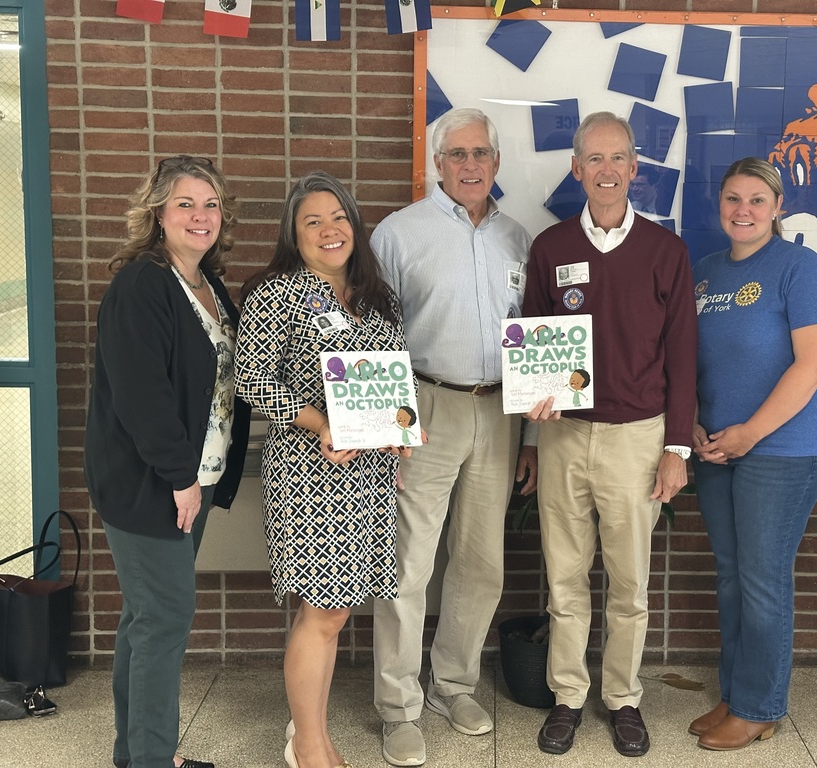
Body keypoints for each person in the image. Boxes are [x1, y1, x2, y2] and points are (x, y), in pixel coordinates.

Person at [523, 112, 698, 758]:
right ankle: (568, 694)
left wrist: (677, 449)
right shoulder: (550, 249)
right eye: (592, 159)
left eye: (616, 158)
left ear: (634, 169)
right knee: (564, 577)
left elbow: (682, 356)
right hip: (564, 437)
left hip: (637, 437)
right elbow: (532, 346)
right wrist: (529, 432)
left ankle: (621, 697)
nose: (604, 171)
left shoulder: (665, 252)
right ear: (576, 169)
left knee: (629, 583)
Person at [369, 106, 537, 767]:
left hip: (499, 413)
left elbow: (529, 338)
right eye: (457, 154)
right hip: (424, 406)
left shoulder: (518, 238)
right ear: (437, 164)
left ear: (496, 163)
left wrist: (527, 435)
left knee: (479, 564)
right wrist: (389, 423)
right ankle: (398, 706)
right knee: (409, 566)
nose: (470, 165)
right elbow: (374, 332)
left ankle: (454, 684)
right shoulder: (398, 234)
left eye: (481, 154)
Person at [234, 171, 415, 768]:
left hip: (367, 478)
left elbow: (389, 382)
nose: (328, 230)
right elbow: (255, 382)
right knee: (325, 613)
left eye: (338, 217)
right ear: (294, 233)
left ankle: (307, 730)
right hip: (311, 474)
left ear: (355, 227)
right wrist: (321, 423)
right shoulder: (278, 294)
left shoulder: (374, 297)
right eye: (312, 221)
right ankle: (308, 742)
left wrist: (398, 431)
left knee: (333, 615)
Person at [84, 155, 250, 768]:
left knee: (144, 619)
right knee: (163, 621)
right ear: (157, 211)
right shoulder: (143, 284)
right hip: (154, 482)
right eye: (185, 203)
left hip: (193, 478)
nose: (200, 216)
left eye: (210, 204)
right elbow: (141, 394)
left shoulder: (207, 282)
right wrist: (180, 478)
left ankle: (137, 755)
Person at [688, 157, 817, 751]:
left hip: (785, 448)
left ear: (777, 208)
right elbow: (691, 363)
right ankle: (735, 692)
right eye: (732, 199)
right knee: (731, 576)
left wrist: (750, 431)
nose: (742, 210)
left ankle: (759, 706)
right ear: (719, 205)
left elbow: (813, 365)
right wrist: (696, 423)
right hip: (718, 448)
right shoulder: (704, 273)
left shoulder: (800, 268)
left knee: (761, 579)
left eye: (756, 200)